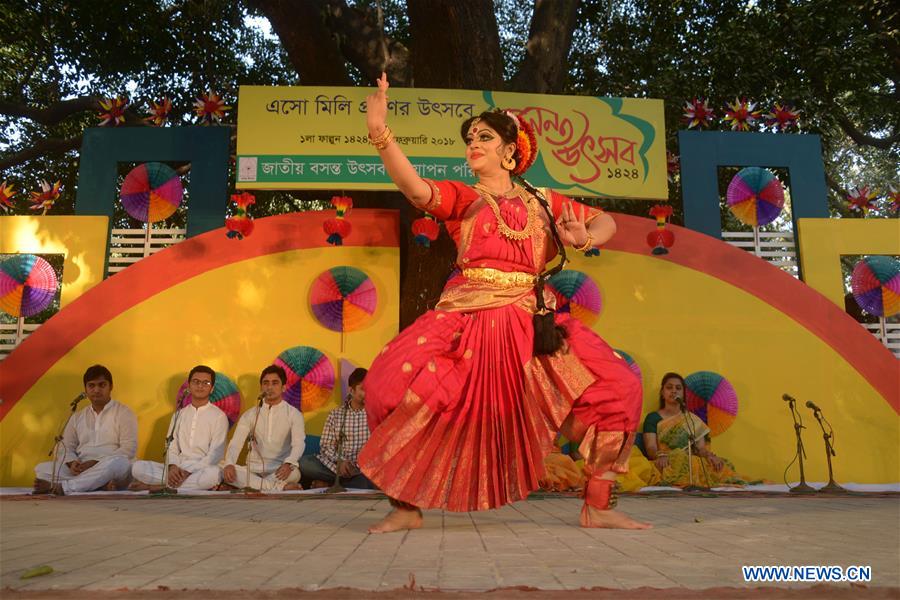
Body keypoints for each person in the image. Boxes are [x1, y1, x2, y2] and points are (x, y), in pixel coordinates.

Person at [357, 73, 650, 533]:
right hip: (465, 320)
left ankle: (598, 505)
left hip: (532, 325)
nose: (473, 143)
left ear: (510, 152)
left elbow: (606, 221)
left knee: (618, 387)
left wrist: (586, 237)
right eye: (470, 138)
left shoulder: (543, 202)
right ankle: (405, 506)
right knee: (386, 387)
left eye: (485, 137)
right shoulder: (464, 198)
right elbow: (415, 190)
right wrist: (380, 133)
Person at [33, 365, 137, 495]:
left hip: (111, 468)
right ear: (86, 390)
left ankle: (64, 488)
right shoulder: (77, 416)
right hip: (82, 468)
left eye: (102, 385)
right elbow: (64, 447)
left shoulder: (124, 412)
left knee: (119, 463)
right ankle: (97, 485)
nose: (96, 390)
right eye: (91, 386)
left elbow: (129, 449)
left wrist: (95, 463)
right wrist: (72, 463)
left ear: (111, 387)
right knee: (42, 469)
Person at [641, 372, 748, 488]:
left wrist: (710, 456)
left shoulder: (691, 419)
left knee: (719, 465)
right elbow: (650, 448)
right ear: (662, 393)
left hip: (690, 462)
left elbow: (700, 448)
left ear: (683, 394)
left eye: (678, 388)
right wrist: (660, 456)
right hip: (665, 462)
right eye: (669, 387)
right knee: (683, 464)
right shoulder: (653, 418)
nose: (673, 391)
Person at [130, 365, 228, 492]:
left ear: (212, 388)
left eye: (206, 383)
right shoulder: (179, 414)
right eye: (196, 382)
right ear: (189, 385)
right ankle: (182, 487)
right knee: (137, 467)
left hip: (202, 469)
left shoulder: (219, 416)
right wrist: (173, 467)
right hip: (178, 467)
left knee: (214, 475)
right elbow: (171, 445)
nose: (200, 386)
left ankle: (155, 487)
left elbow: (215, 454)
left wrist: (188, 471)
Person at [222, 365, 305, 492]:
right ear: (261, 387)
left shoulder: (293, 414)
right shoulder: (250, 415)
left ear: (283, 387)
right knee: (221, 468)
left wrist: (289, 463)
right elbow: (236, 443)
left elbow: (298, 444)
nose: (269, 387)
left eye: (275, 383)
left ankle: (254, 487)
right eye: (266, 383)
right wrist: (229, 463)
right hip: (252, 471)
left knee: (295, 473)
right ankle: (279, 488)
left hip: (279, 470)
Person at [299, 368, 375, 490]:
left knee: (369, 480)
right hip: (337, 468)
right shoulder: (336, 414)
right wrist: (341, 462)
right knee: (304, 463)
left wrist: (358, 465)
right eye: (363, 389)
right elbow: (326, 446)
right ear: (351, 390)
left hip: (363, 470)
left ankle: (330, 484)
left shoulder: (376, 414)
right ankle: (342, 483)